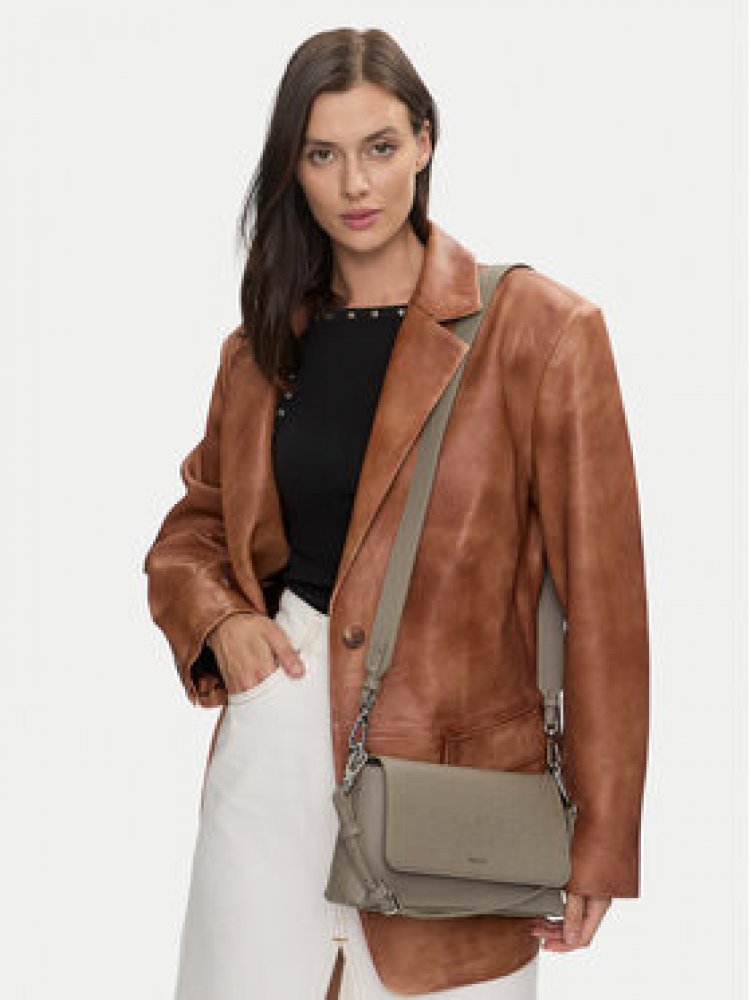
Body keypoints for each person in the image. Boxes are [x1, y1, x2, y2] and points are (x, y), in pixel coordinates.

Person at [143, 26, 650, 1000]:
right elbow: (195, 527)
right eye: (321, 155)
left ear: (424, 141)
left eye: (378, 147)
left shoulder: (539, 332)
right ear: (292, 169)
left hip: (456, 781)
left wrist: (602, 836)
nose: (354, 184)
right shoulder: (259, 351)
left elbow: (606, 606)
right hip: (275, 751)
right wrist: (223, 622)